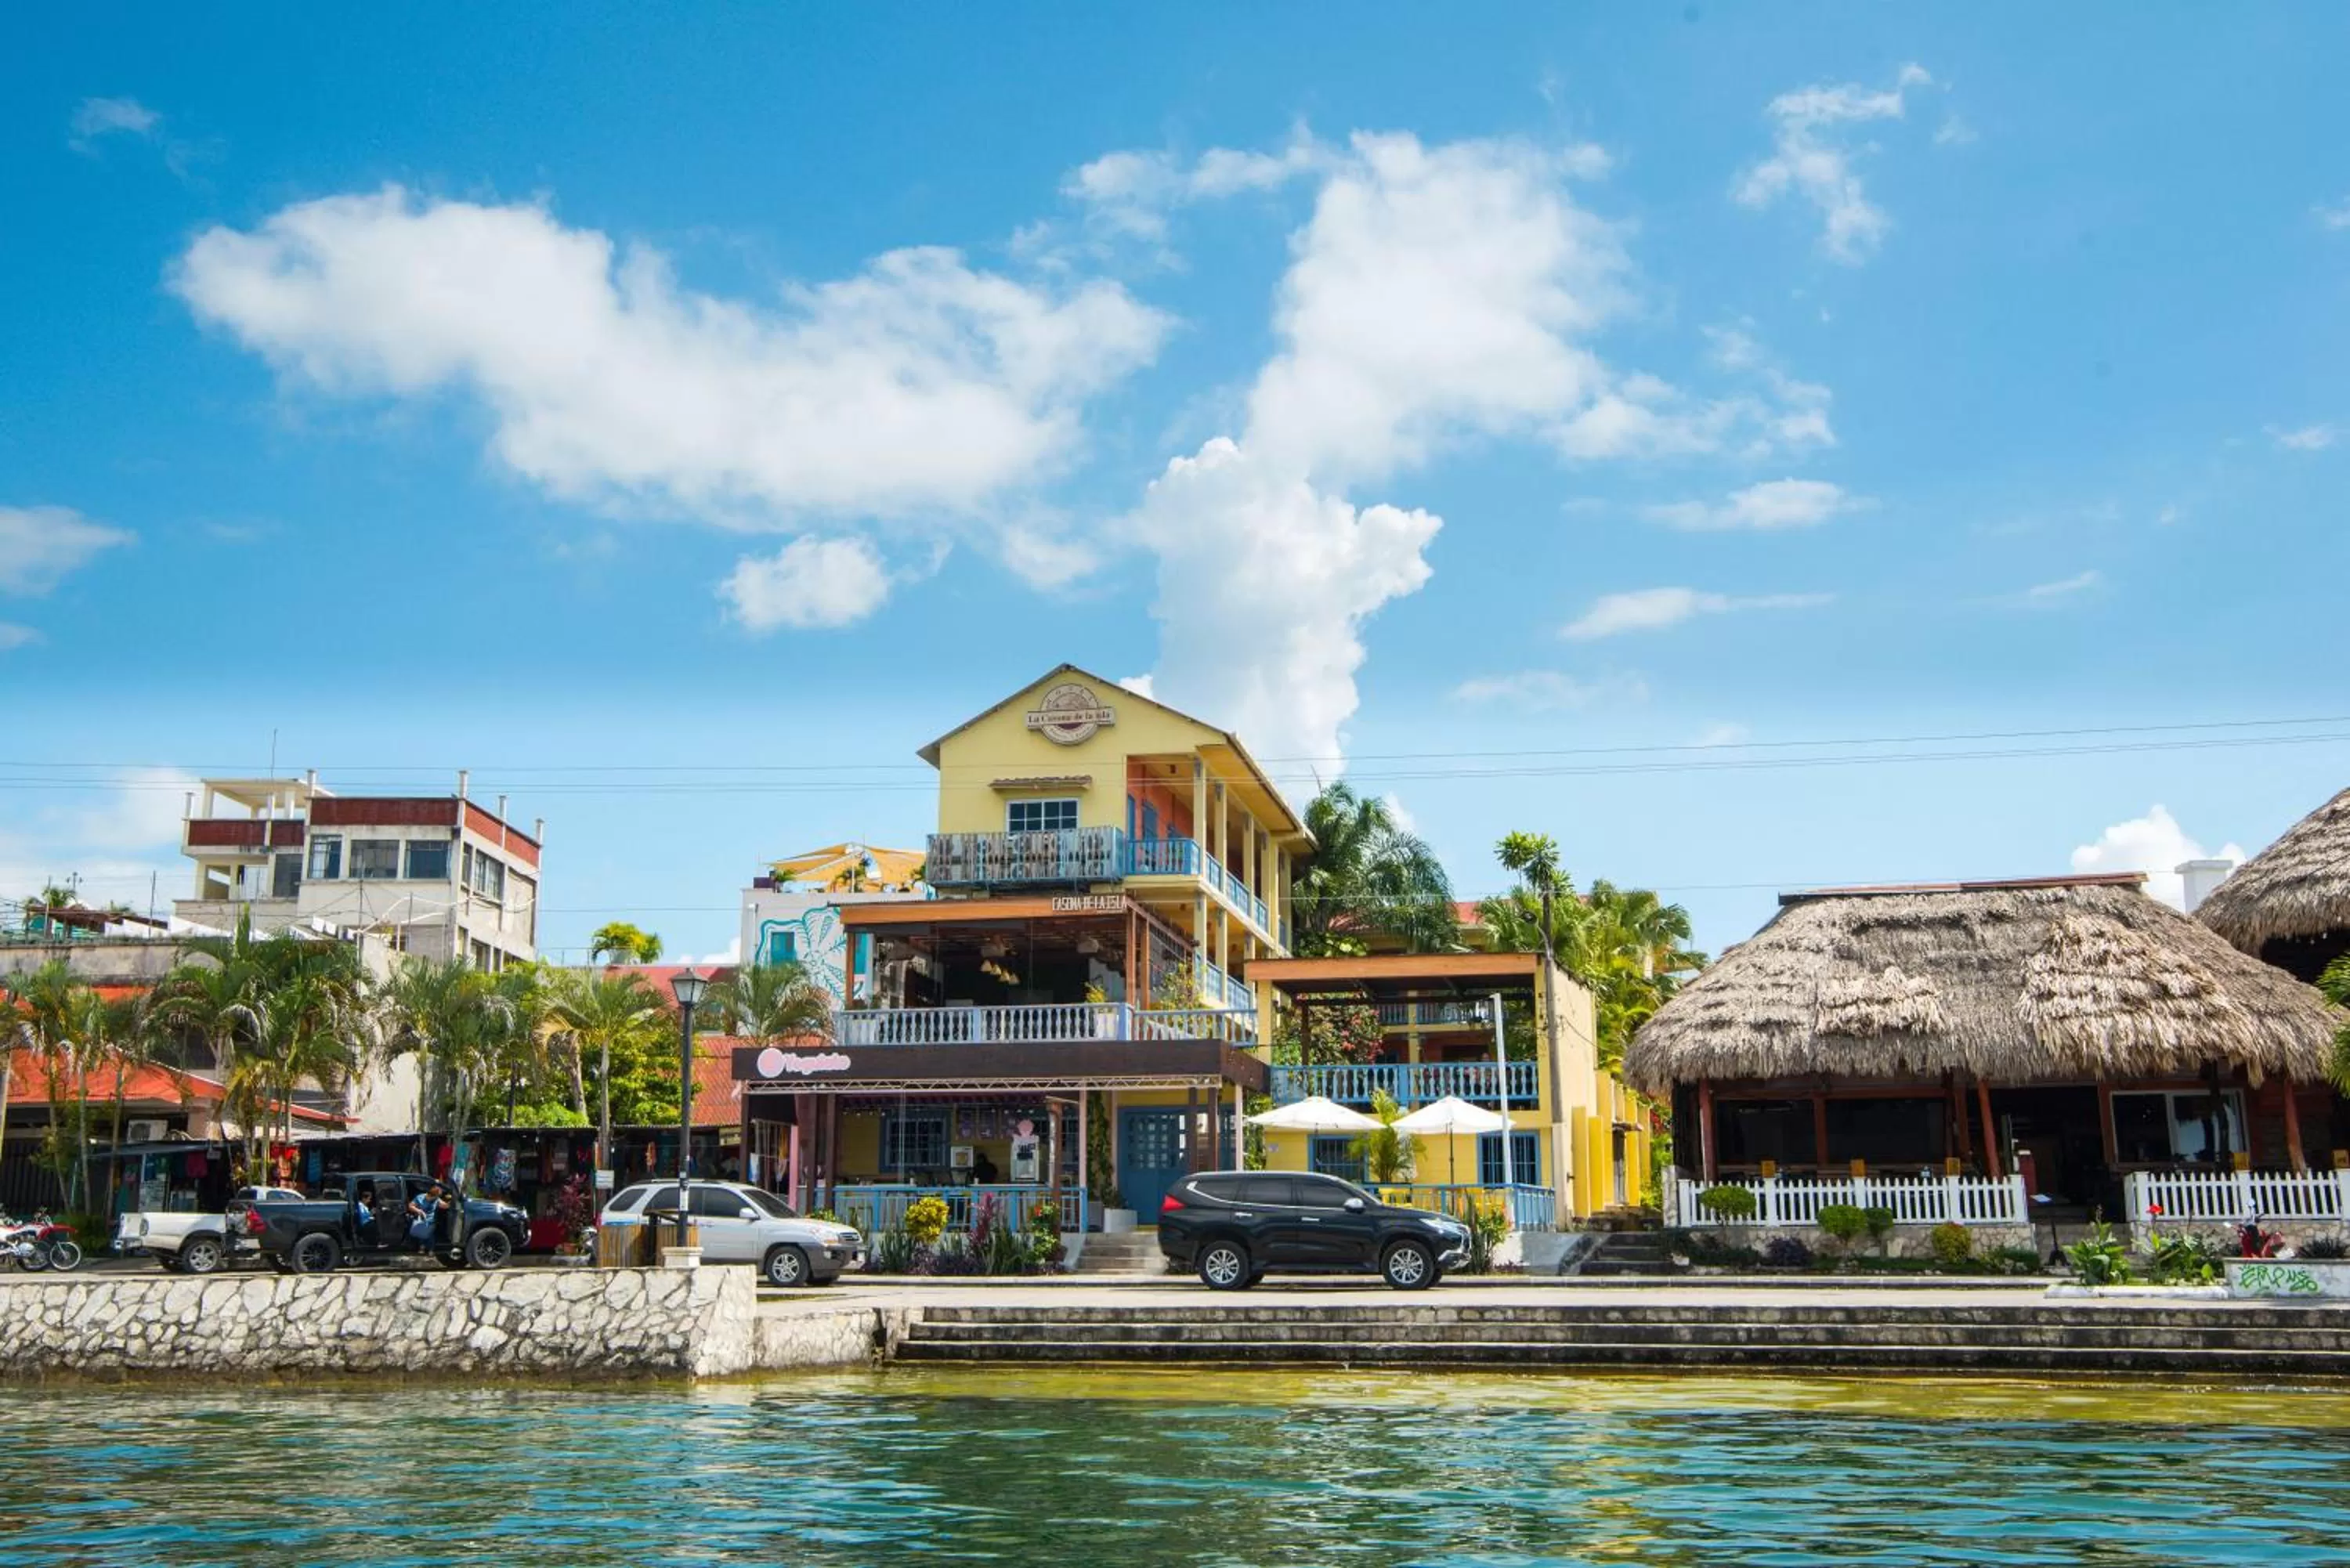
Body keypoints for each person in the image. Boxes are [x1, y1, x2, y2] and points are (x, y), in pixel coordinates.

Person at [407, 1183, 444, 1248]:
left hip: (431, 1222)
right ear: (432, 1195)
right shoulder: (420, 1197)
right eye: (437, 1196)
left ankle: (431, 1250)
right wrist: (419, 1211)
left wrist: (451, 1202)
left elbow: (444, 1205)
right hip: (421, 1220)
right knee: (421, 1234)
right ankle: (422, 1248)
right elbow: (410, 1206)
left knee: (430, 1235)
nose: (437, 1197)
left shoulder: (437, 1199)